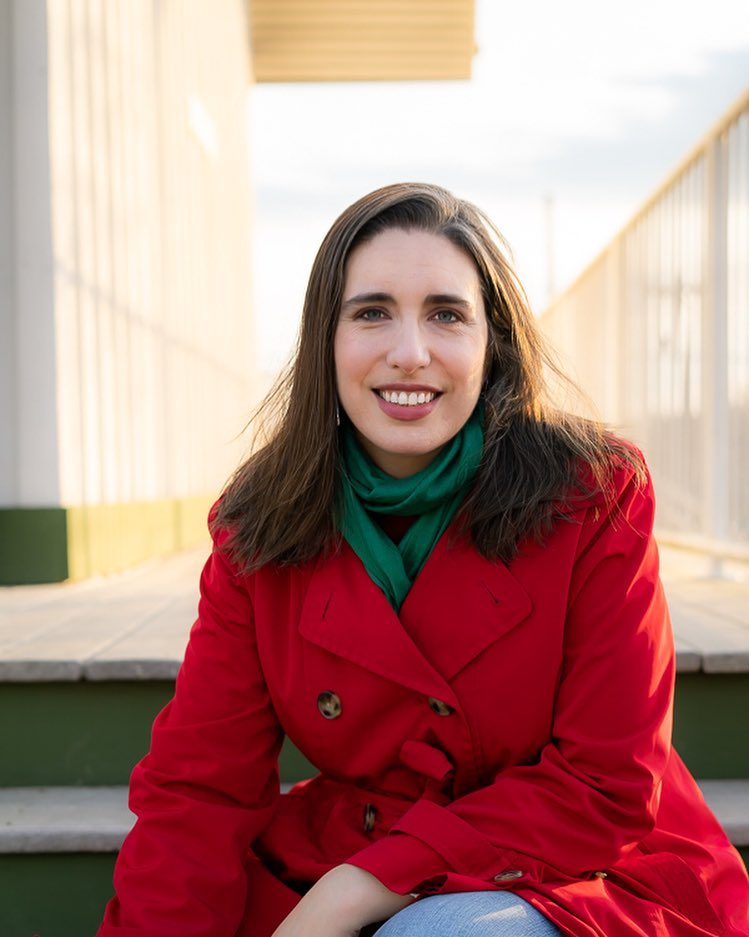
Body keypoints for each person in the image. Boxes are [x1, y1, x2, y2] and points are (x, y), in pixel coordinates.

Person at [97, 183, 748, 937]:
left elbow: (606, 782)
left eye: (445, 313)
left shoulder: (592, 493)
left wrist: (354, 889)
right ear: (325, 342)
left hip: (583, 864)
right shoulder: (259, 522)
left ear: (490, 343)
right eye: (371, 312)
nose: (409, 353)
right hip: (355, 840)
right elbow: (198, 785)